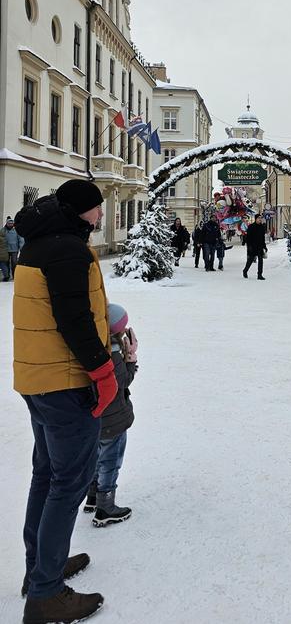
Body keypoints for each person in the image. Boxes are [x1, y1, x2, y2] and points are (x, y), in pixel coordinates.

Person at [13, 179, 116, 623]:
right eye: (95, 210)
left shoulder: (39, 242)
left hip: (37, 377)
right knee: (68, 483)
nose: (99, 216)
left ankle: (40, 567)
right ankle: (46, 594)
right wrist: (103, 370)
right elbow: (74, 319)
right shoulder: (68, 250)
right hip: (65, 381)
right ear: (80, 212)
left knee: (47, 474)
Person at [84, 303, 138, 527]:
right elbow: (121, 382)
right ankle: (105, 508)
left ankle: (93, 497)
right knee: (110, 462)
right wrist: (131, 359)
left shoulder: (90, 348)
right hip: (113, 419)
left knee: (96, 457)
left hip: (96, 419)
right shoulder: (113, 354)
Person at [244, 214, 268, 280]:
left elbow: (263, 238)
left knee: (261, 260)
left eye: (261, 218)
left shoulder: (262, 227)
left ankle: (259, 275)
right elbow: (248, 238)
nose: (260, 219)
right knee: (250, 260)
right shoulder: (251, 226)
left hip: (260, 247)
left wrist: (265, 247)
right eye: (258, 218)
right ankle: (245, 270)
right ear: (256, 219)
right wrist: (249, 246)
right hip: (253, 246)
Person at [1, 214, 24, 279]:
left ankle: (14, 275)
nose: (10, 224)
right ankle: (7, 276)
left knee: (14, 263)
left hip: (14, 249)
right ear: (7, 223)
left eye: (11, 223)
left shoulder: (16, 230)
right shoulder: (3, 230)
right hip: (6, 250)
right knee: (6, 263)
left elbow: (20, 239)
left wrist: (21, 247)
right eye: (9, 223)